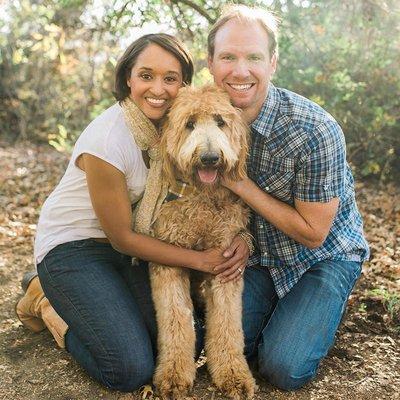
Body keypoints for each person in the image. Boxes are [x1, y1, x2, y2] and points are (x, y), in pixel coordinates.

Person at [16, 33, 251, 392]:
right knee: (127, 368)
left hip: (129, 250)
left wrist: (242, 238)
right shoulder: (108, 139)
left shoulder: (167, 124)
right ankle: (47, 304)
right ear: (129, 77)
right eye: (146, 75)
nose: (158, 88)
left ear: (182, 85)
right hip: (75, 249)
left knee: (195, 337)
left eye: (170, 78)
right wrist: (202, 261)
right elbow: (123, 238)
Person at [208, 5, 370, 391]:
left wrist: (239, 183)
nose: (240, 71)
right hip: (260, 258)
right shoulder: (203, 118)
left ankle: (315, 310)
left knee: (284, 368)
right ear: (210, 62)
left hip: (322, 256)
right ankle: (284, 315)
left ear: (273, 63)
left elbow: (315, 233)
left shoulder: (314, 130)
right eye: (228, 57)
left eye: (254, 58)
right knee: (210, 344)